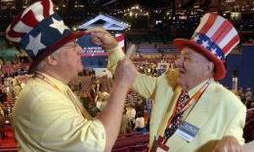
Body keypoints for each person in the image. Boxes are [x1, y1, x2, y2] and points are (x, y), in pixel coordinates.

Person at [86, 13, 246, 152]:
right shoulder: (169, 79)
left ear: (208, 67)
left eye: (187, 58)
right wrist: (113, 47)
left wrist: (231, 142)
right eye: (180, 56)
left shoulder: (230, 105)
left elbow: (234, 142)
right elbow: (133, 78)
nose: (177, 62)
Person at [5, 0, 137, 151]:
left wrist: (113, 48)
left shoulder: (49, 89)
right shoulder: (42, 99)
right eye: (73, 46)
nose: (80, 50)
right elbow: (99, 143)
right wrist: (121, 85)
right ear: (52, 58)